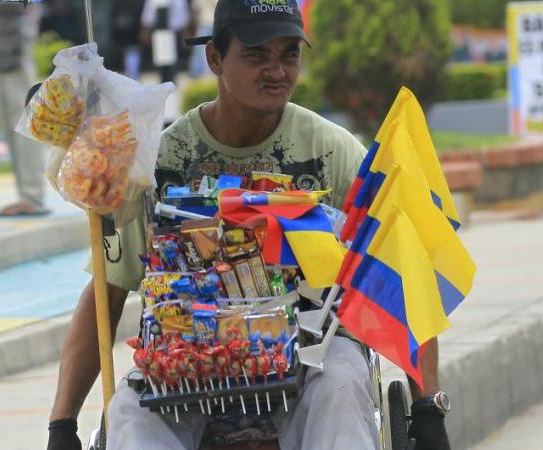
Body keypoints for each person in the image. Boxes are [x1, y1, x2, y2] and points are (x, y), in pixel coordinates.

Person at [46, 1, 451, 449]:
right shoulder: (162, 164)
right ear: (215, 58)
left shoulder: (333, 154)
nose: (277, 71)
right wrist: (62, 424)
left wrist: (427, 407)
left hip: (311, 352)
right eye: (258, 55)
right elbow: (107, 291)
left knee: (341, 383)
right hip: (187, 354)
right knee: (128, 410)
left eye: (289, 55)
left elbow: (403, 275)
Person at [0, 2, 48, 217]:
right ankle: (28, 196)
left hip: (13, 40)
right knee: (8, 119)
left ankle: (32, 197)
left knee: (22, 118)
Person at [189, 0, 217, 78]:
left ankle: (213, 70)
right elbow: (195, 10)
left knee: (215, 47)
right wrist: (196, 24)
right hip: (204, 23)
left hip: (216, 23)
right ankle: (196, 71)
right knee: (199, 48)